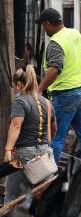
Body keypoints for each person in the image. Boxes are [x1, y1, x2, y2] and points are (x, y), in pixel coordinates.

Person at [35, 7, 81, 162]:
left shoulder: (56, 41)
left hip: (66, 94)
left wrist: (39, 89)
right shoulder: (75, 34)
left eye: (43, 25)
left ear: (48, 23)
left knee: (56, 137)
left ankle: (51, 178)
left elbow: (55, 69)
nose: (43, 29)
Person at [4, 66, 55, 204]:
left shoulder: (20, 102)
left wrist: (8, 150)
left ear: (19, 85)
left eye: (15, 86)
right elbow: (52, 130)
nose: (15, 90)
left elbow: (16, 126)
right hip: (45, 156)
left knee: (11, 196)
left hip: (24, 156)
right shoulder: (48, 103)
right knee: (44, 196)